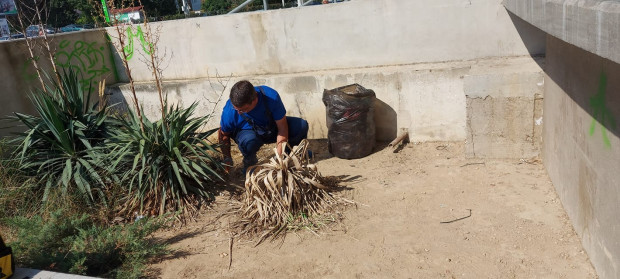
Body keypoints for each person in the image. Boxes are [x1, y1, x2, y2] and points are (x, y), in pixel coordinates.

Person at [219, 80, 309, 173]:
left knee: (300, 126)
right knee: (249, 141)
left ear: (255, 100)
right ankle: (250, 164)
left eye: (243, 110)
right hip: (248, 134)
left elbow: (282, 128)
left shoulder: (271, 97)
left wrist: (279, 160)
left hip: (270, 128)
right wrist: (227, 158)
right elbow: (223, 134)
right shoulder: (229, 111)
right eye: (236, 108)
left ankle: (290, 155)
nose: (238, 112)